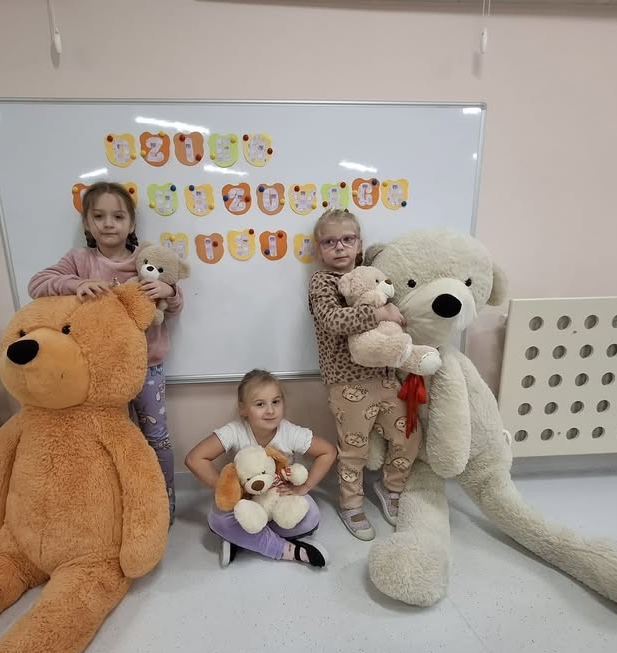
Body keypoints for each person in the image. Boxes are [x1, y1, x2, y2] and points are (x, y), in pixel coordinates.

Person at [28, 181, 182, 523]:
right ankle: (119, 507)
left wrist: (169, 291)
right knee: (111, 439)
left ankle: (164, 505)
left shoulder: (146, 257)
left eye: (117, 217)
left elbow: (174, 305)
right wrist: (77, 284)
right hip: (100, 373)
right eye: (98, 216)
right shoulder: (79, 260)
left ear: (131, 223)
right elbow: (37, 284)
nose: (108, 224)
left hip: (147, 367)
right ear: (87, 223)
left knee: (156, 437)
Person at [306, 208, 421, 541]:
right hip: (347, 383)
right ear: (319, 250)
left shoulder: (374, 277)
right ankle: (351, 504)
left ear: (359, 244)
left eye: (347, 239)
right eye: (330, 242)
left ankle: (391, 488)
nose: (339, 247)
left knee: (409, 435)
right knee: (353, 449)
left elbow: (396, 314)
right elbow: (333, 321)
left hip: (385, 378)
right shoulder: (322, 282)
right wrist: (379, 313)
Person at [185, 369, 336, 568]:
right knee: (217, 519)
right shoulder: (235, 430)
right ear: (243, 409)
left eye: (276, 402)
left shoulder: (289, 432)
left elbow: (328, 451)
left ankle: (243, 539)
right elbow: (194, 459)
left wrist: (305, 487)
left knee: (311, 516)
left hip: (278, 497)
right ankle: (286, 550)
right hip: (247, 501)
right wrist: (228, 489)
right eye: (260, 404)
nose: (270, 410)